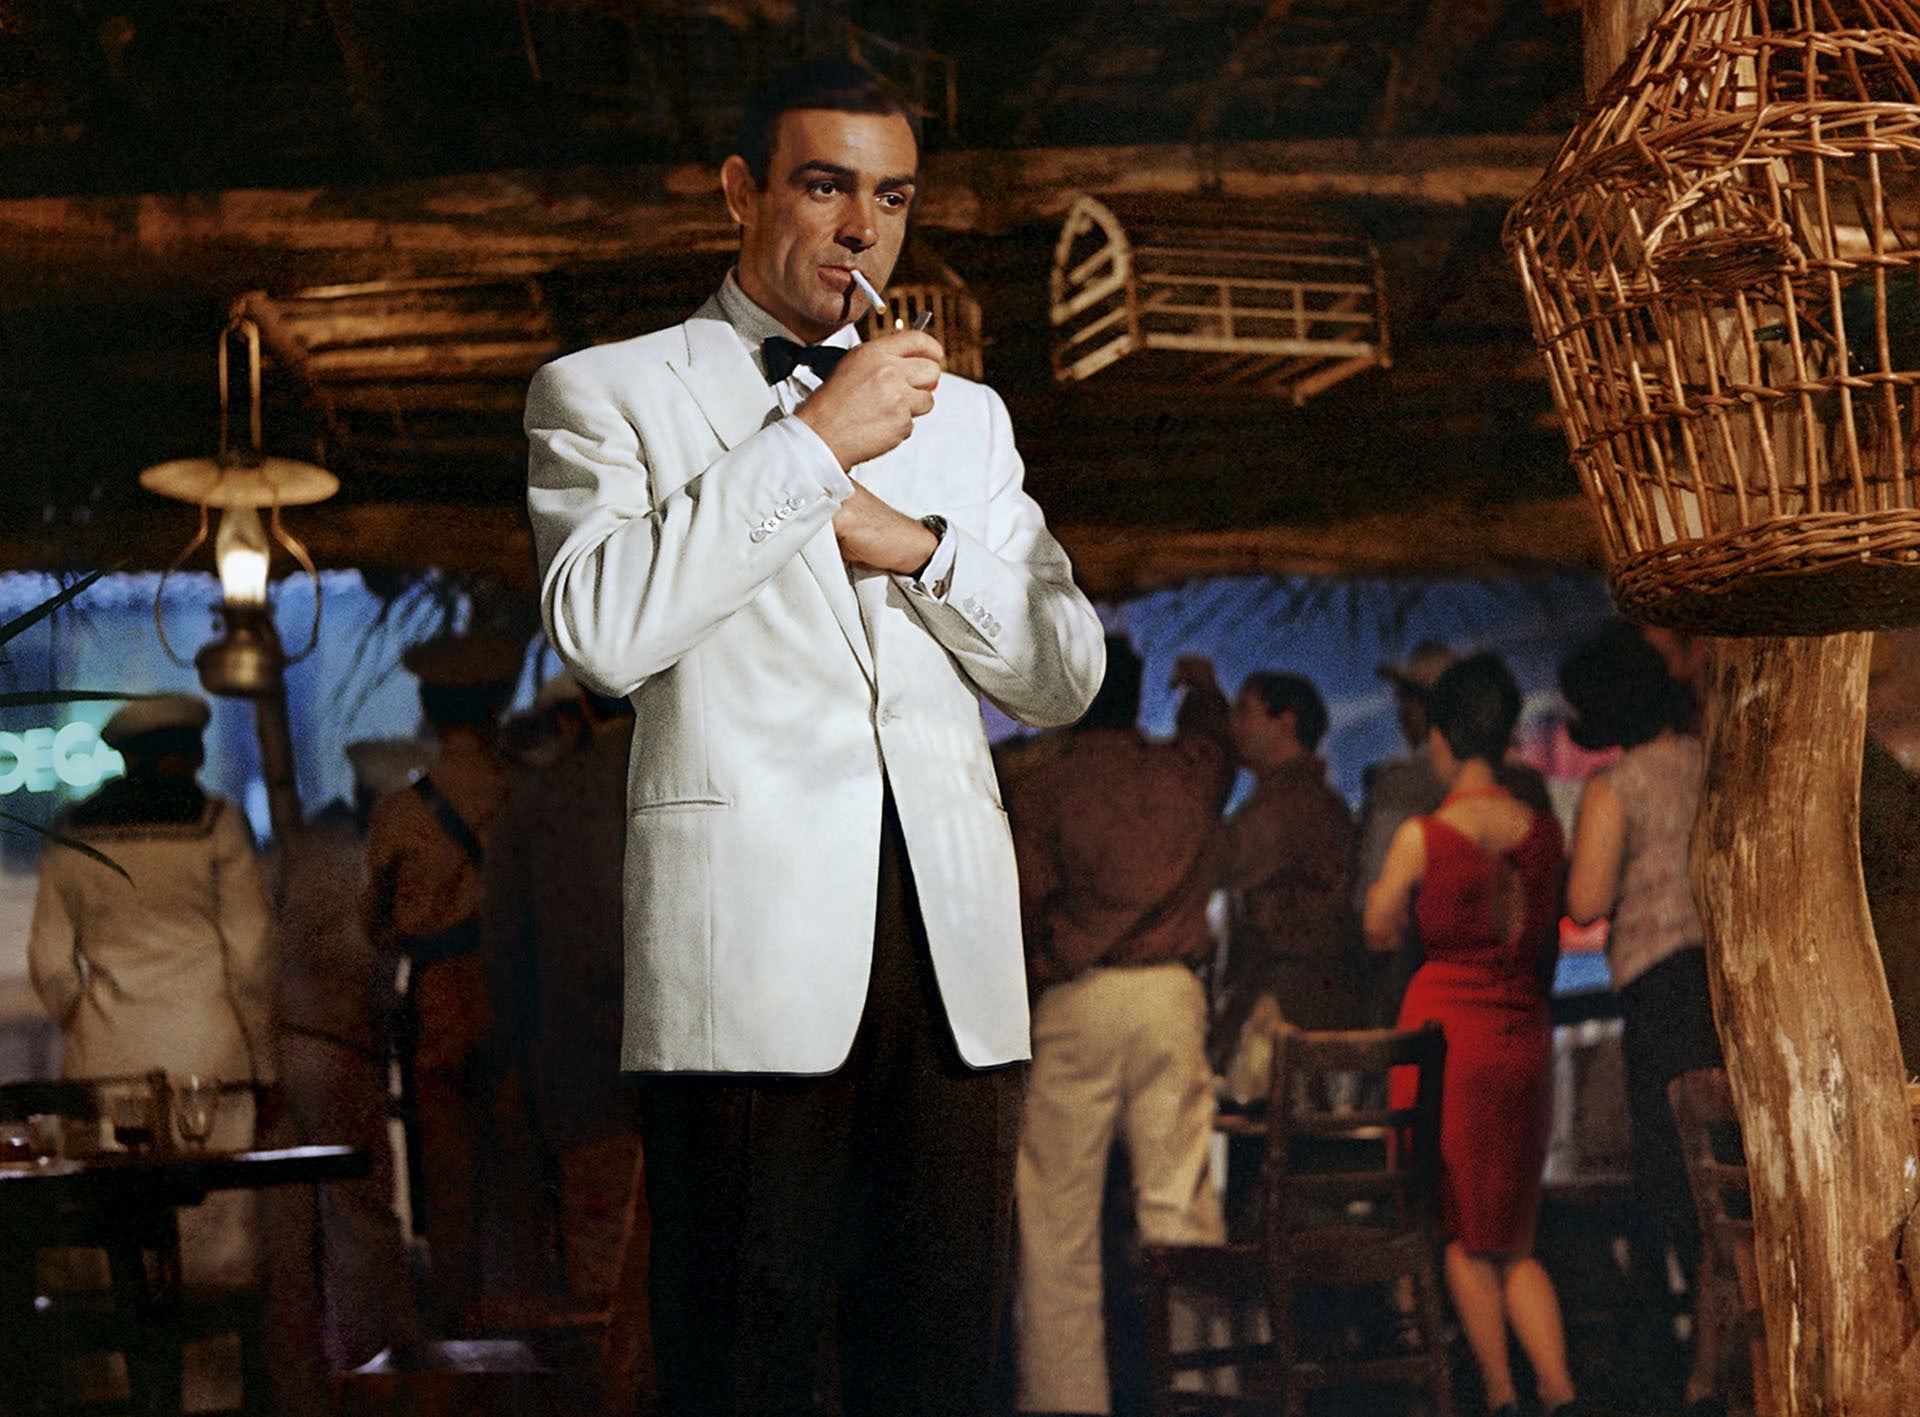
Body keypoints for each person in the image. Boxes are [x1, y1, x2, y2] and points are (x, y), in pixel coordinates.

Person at [522, 57, 1104, 1417]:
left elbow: (1068, 670)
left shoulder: (967, 419)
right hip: (745, 959)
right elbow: (600, 632)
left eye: (892, 198)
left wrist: (915, 545)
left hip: (955, 963)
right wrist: (814, 445)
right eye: (826, 186)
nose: (862, 229)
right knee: (747, 1363)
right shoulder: (606, 391)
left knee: (943, 1363)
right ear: (741, 191)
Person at [28, 691, 276, 1410]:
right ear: (192, 754)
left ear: (123, 757)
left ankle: (117, 1395)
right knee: (213, 1244)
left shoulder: (71, 829)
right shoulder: (218, 824)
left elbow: (50, 964)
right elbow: (252, 960)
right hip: (212, 1064)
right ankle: (211, 1396)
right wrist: (264, 1067)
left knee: (113, 1246)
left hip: (106, 1066)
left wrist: (96, 1019)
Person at [1008, 640, 1234, 1416]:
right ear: (1137, 697)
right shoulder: (1184, 774)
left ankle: (1065, 1401)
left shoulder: (1044, 789)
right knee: (1181, 1206)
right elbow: (1216, 748)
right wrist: (1203, 691)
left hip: (1076, 998)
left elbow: (1024, 905)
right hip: (1171, 996)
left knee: (1056, 1225)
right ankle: (1201, 1390)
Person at [1363, 654, 1581, 1417]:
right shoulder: (1543, 831)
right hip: (1521, 1033)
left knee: (1458, 1228)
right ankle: (1559, 1389)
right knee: (1512, 1235)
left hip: (1446, 1038)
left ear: (1443, 737)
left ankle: (1499, 1394)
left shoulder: (1424, 835)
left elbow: (1377, 924)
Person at [1561, 622, 1726, 1417]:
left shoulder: (1617, 786)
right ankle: (1718, 1364)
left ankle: (1693, 1377)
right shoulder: (1709, 759)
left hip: (1660, 992)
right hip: (1724, 980)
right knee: (1727, 1183)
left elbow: (1586, 900)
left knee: (1675, 1184)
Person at [362, 631, 526, 1336]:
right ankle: (523, 1335)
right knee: (519, 1179)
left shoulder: (400, 811)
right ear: (496, 707)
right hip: (516, 994)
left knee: (449, 1183)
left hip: (438, 1001)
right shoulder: (524, 792)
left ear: (428, 708)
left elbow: (375, 923)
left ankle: (458, 1337)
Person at [259, 737, 429, 1410]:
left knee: (287, 1238)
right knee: (360, 1229)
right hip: (343, 1052)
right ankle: (369, 1383)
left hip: (279, 1049)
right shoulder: (379, 855)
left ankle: (296, 1391)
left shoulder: (302, 844)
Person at [483, 679, 640, 1303]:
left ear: (580, 712)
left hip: (586, 1077)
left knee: (604, 1272)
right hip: (705, 1079)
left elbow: (506, 956)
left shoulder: (536, 802)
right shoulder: (709, 779)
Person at [1354, 642, 1550, 1025]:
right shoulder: (1529, 791)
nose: (1400, 713)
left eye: (1406, 699)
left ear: (1429, 710)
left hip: (1427, 1005)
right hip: (1520, 1006)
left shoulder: (1400, 790)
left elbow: (1374, 915)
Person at [1194, 663, 1357, 1061]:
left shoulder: (1289, 804)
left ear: (1284, 723)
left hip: (1283, 1008)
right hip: (1301, 1002)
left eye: (1244, 711)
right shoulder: (1303, 798)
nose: (1232, 726)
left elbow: (1215, 858)